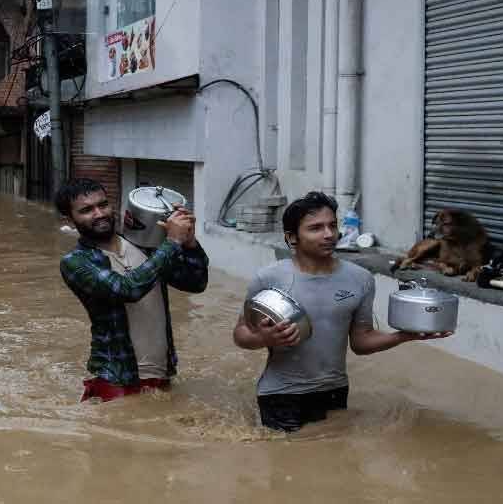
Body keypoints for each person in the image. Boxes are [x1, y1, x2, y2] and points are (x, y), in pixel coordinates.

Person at [233, 191, 452, 432]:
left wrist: (404, 336)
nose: (329, 234)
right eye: (315, 228)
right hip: (281, 393)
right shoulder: (269, 277)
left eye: (332, 225)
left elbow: (361, 341)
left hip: (334, 390)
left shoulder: (360, 279)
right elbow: (241, 333)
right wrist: (263, 338)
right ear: (292, 237)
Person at [57, 178, 210, 402]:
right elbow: (127, 289)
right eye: (87, 210)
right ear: (69, 220)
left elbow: (196, 283)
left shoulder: (146, 247)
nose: (99, 214)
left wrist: (189, 243)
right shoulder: (76, 262)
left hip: (161, 373)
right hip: (116, 378)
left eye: (103, 204)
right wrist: (172, 243)